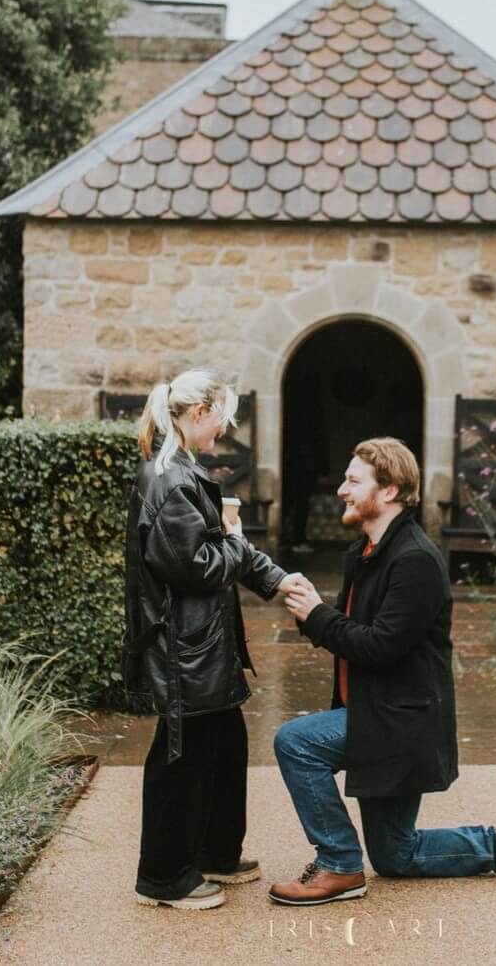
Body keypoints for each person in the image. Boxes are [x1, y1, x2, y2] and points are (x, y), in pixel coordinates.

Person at [269, 437, 496, 904]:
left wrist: (318, 615)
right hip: (382, 713)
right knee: (397, 855)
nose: (341, 489)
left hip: (400, 722)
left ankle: (338, 865)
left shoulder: (414, 559)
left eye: (354, 481)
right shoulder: (368, 552)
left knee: (296, 743)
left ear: (391, 490)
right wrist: (311, 614)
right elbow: (352, 633)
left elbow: (380, 647)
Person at [123, 368, 312, 910]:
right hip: (186, 649)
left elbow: (221, 552)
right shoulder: (169, 480)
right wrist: (233, 539)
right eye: (221, 420)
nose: (224, 431)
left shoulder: (182, 472)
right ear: (199, 414)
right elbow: (198, 566)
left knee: (224, 744)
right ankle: (162, 878)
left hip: (202, 644)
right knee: (182, 757)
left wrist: (275, 578)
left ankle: (215, 852)